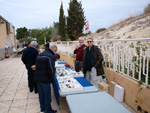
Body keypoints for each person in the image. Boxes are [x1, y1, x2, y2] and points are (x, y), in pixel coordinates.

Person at [34, 45, 57, 113]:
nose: (55, 53)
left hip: (38, 78)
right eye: (55, 51)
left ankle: (42, 109)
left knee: (41, 94)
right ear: (54, 50)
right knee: (47, 95)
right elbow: (51, 69)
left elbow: (37, 65)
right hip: (45, 79)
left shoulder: (40, 54)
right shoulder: (50, 56)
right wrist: (51, 78)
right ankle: (48, 110)